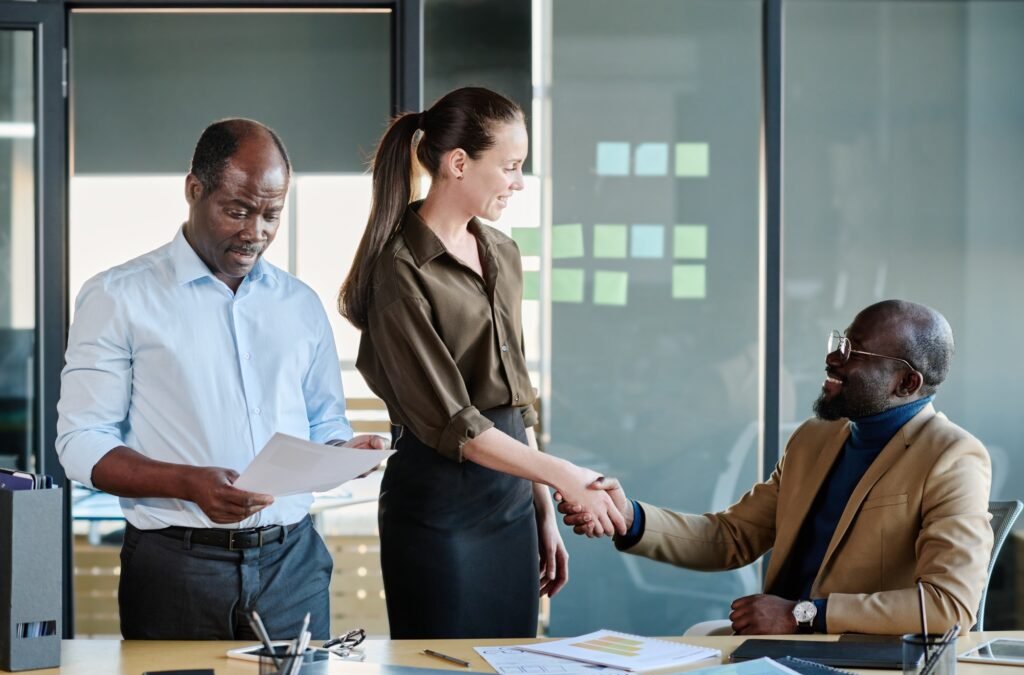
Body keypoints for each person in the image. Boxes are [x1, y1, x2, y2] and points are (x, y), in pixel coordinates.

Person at [56, 118, 384, 640]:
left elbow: (324, 420)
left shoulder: (300, 305)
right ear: (194, 190)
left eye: (272, 214)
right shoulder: (117, 297)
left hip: (293, 564)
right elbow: (81, 443)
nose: (256, 231)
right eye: (238, 210)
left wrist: (341, 452)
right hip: (175, 570)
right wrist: (188, 483)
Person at [339, 87, 626, 639]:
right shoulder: (399, 272)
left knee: (515, 665)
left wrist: (542, 507)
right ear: (459, 163)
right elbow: (459, 427)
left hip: (512, 500)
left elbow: (517, 398)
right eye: (511, 166)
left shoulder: (502, 252)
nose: (518, 182)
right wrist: (567, 477)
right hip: (438, 511)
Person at [559, 300, 993, 635]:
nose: (833, 358)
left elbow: (948, 606)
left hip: (857, 656)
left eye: (853, 351)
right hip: (775, 649)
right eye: (838, 341)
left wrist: (802, 616)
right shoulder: (814, 438)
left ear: (906, 383)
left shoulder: (952, 458)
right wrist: (628, 518)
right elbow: (730, 537)